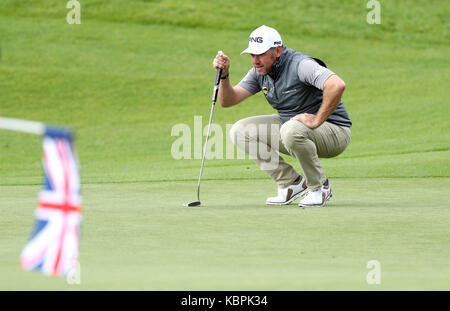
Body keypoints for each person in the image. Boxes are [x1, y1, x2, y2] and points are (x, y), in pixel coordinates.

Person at [212, 25, 352, 207]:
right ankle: (291, 184)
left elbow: (337, 85)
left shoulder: (301, 65)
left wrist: (317, 119)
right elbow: (228, 100)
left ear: (277, 51)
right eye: (252, 55)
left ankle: (319, 188)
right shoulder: (259, 72)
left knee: (291, 130)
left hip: (334, 131)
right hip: (294, 128)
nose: (255, 60)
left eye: (260, 54)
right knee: (241, 130)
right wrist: (224, 76)